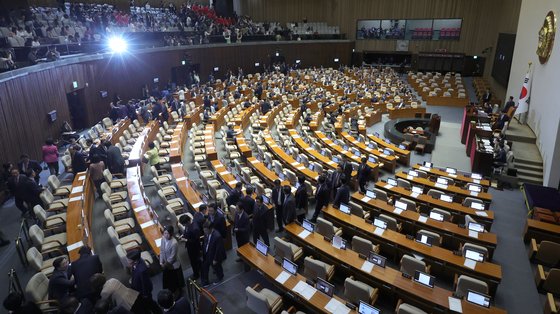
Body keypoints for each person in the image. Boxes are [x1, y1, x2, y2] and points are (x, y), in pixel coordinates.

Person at [159, 225, 185, 297]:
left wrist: (164, 265)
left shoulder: (174, 243)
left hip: (173, 265)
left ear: (171, 233)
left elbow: (172, 257)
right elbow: (161, 251)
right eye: (165, 233)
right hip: (165, 263)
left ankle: (177, 292)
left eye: (167, 233)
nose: (166, 235)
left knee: (175, 281)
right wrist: (161, 262)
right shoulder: (163, 239)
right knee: (168, 281)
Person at [201, 221, 226, 287]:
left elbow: (218, 249)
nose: (205, 232)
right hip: (207, 254)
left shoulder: (217, 236)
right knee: (205, 267)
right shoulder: (206, 233)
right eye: (204, 230)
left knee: (217, 267)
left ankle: (220, 277)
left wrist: (215, 259)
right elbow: (206, 242)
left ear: (211, 228)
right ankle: (205, 282)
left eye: (206, 230)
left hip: (214, 256)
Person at [179, 213, 201, 280]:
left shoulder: (195, 228)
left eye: (184, 224)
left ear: (188, 221)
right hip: (190, 246)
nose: (184, 225)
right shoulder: (188, 225)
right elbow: (186, 231)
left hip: (194, 248)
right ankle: (199, 268)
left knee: (193, 261)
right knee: (196, 260)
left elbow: (195, 240)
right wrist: (183, 235)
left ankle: (196, 274)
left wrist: (185, 240)